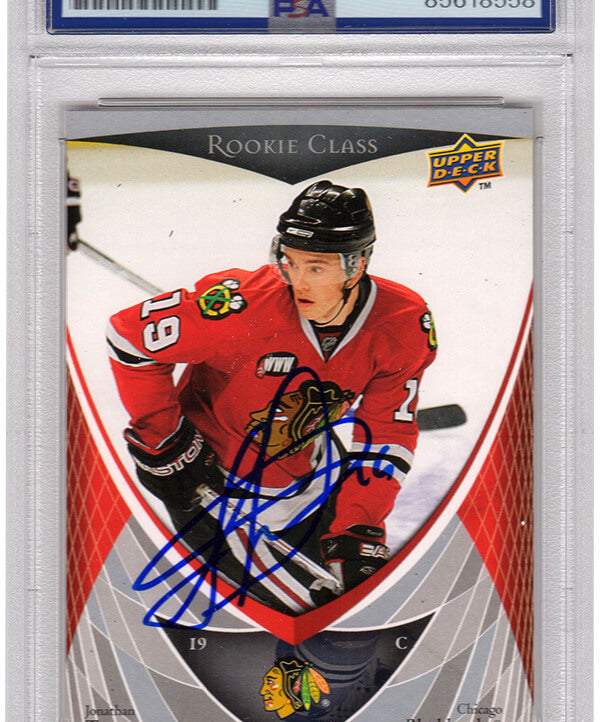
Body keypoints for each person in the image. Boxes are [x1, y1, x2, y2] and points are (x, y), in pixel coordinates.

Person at [107, 181, 437, 613]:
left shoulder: (403, 321)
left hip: (316, 472)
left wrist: (359, 524)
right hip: (215, 490)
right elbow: (129, 336)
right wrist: (162, 438)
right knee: (302, 619)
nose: (297, 281)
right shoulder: (242, 307)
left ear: (356, 266)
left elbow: (387, 429)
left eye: (315, 268)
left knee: (364, 608)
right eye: (289, 262)